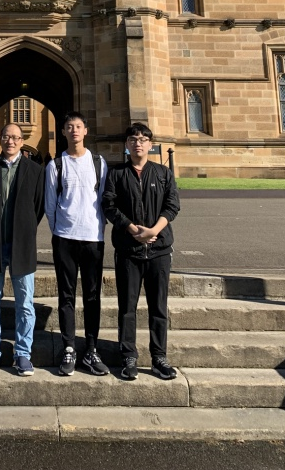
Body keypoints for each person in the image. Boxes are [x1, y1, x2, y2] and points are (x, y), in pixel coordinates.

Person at [102, 122, 181, 381]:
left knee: (158, 307)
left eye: (143, 139)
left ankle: (159, 357)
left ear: (150, 144)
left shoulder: (163, 173)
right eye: (133, 139)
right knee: (127, 307)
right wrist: (131, 228)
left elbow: (172, 205)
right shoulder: (116, 174)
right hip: (128, 249)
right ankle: (128, 356)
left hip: (159, 249)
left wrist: (154, 229)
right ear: (127, 144)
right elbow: (109, 205)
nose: (138, 143)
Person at [0, 122, 44, 376]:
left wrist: (24, 228)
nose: (11, 141)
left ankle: (23, 353)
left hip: (22, 245)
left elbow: (38, 207)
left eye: (15, 137)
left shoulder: (35, 170)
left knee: (25, 304)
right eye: (6, 136)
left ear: (22, 140)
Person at [45, 112, 108, 376]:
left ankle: (91, 349)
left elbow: (104, 200)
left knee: (93, 296)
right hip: (65, 238)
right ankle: (69, 347)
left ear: (85, 131)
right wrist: (61, 229)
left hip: (93, 238)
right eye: (69, 127)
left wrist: (98, 228)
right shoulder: (56, 165)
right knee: (66, 295)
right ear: (63, 131)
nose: (74, 131)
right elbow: (50, 204)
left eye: (78, 126)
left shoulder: (99, 163)